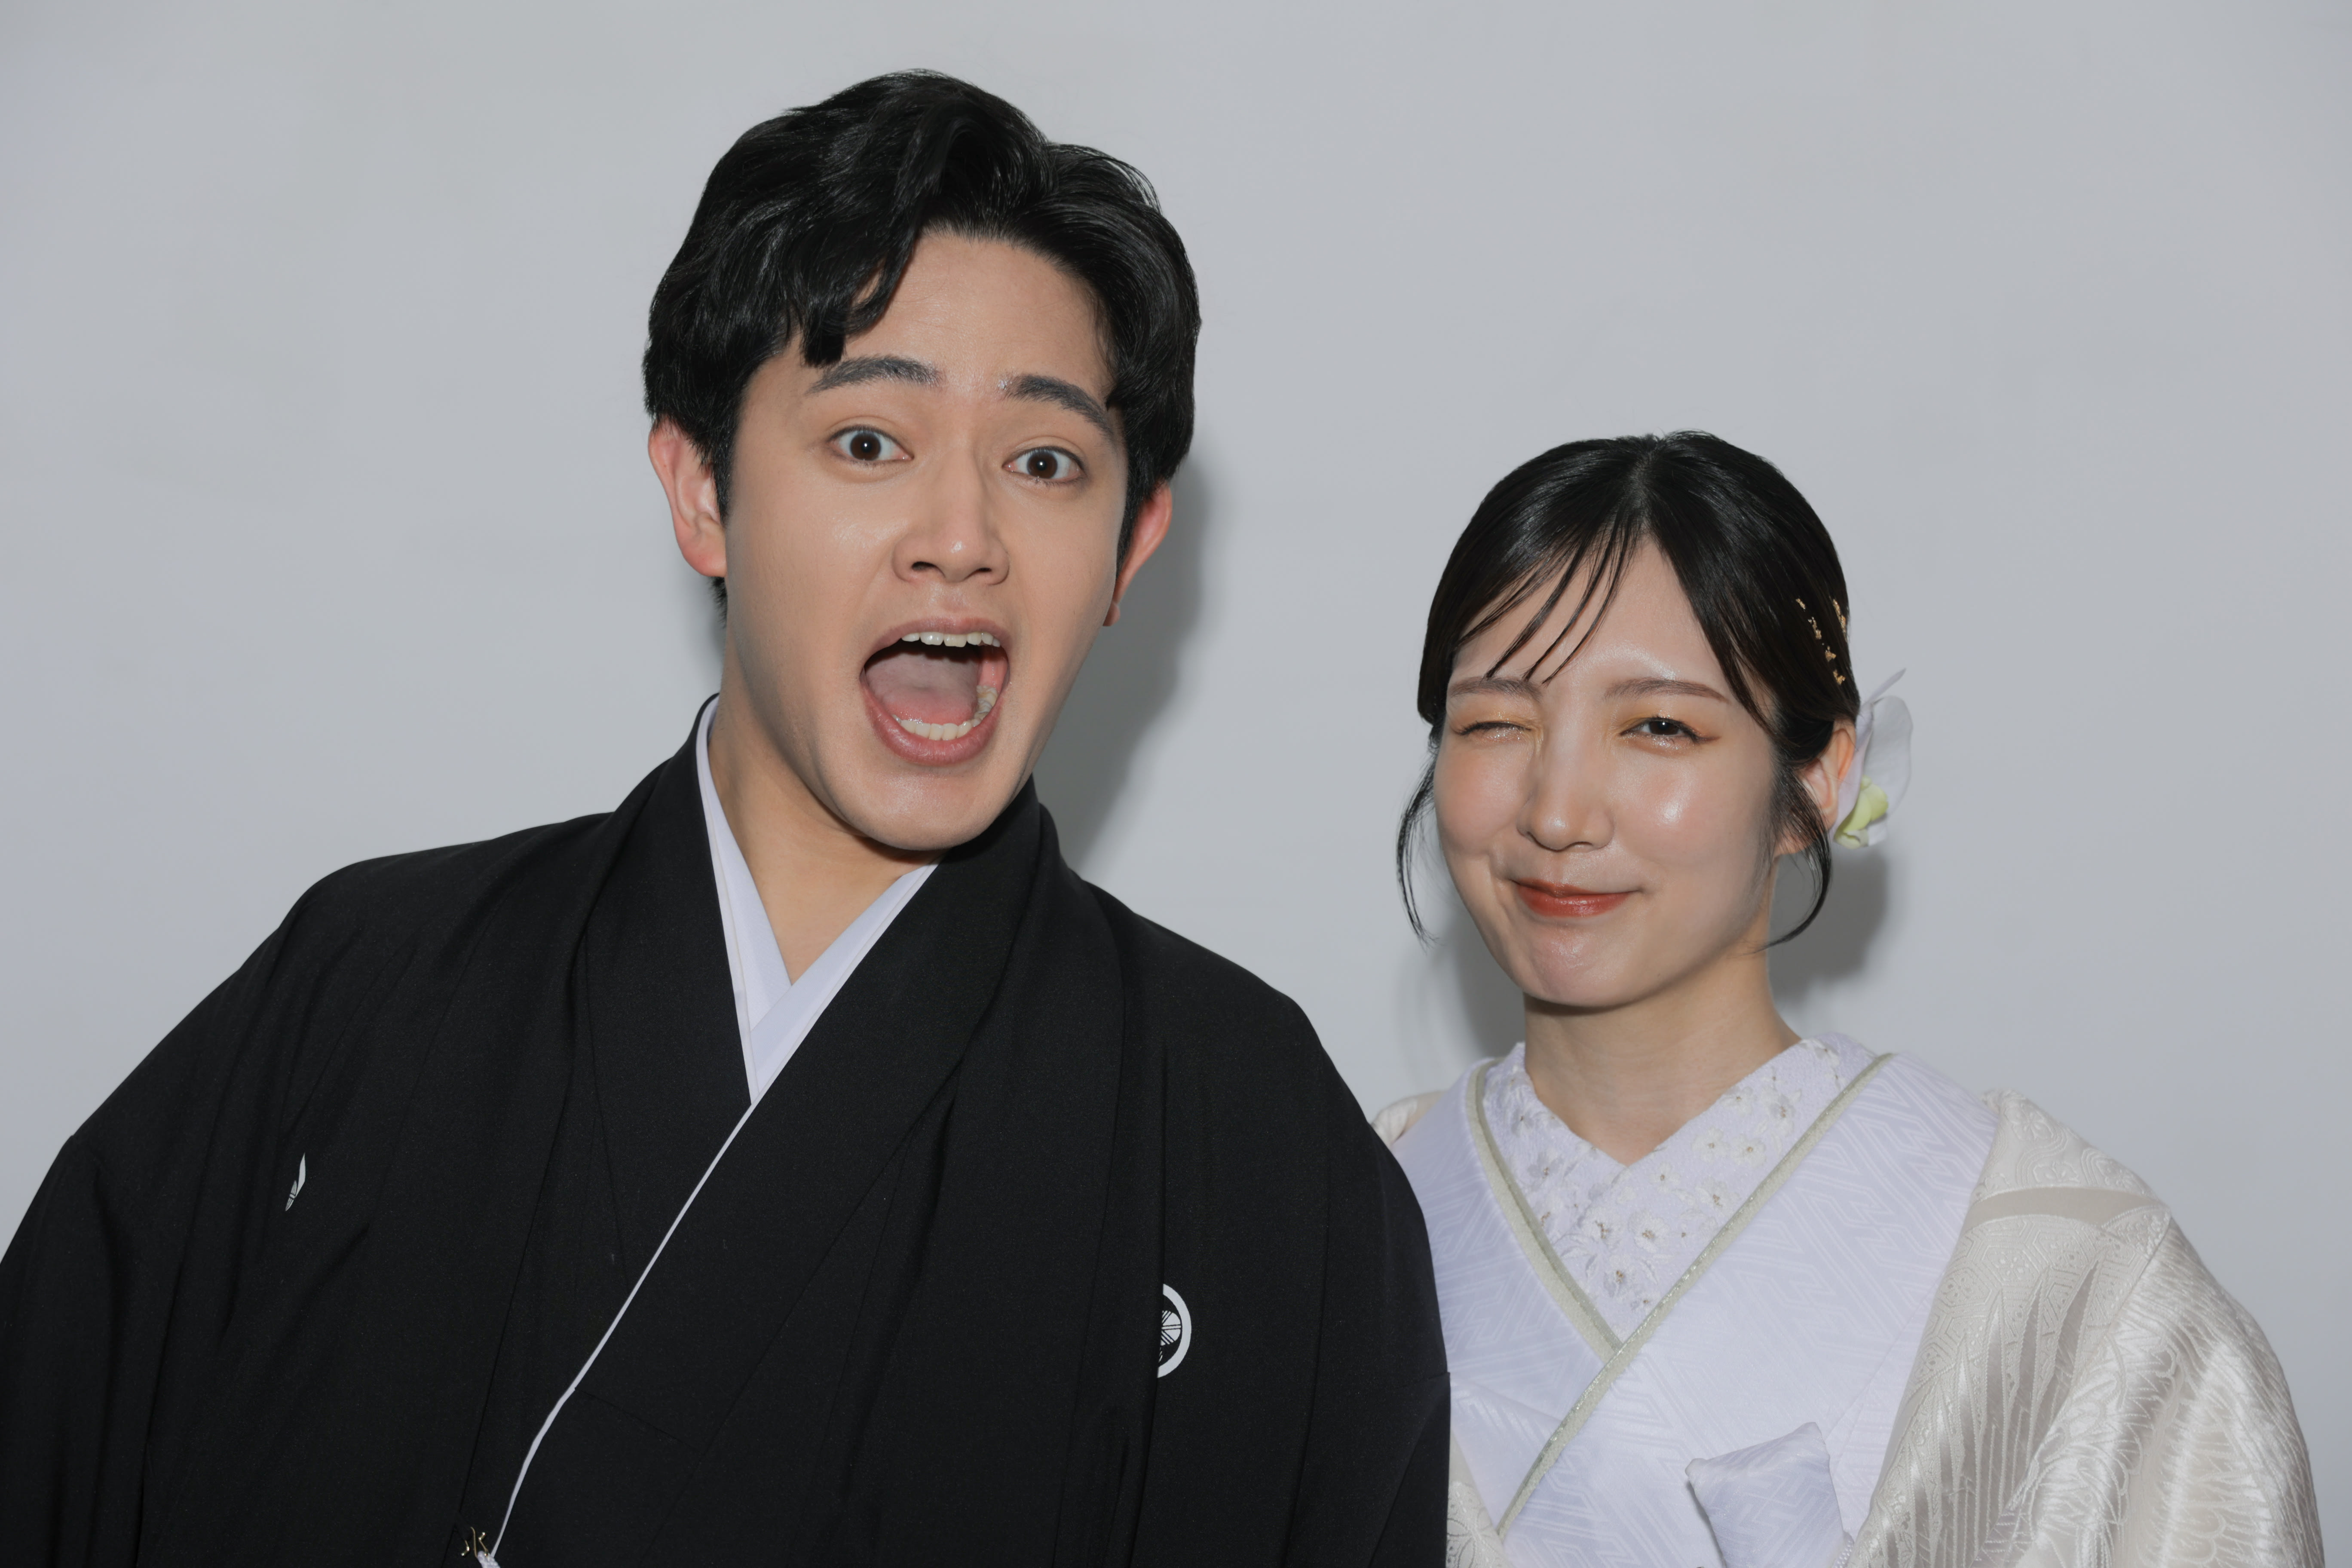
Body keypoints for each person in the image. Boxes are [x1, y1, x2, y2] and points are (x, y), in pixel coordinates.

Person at [0, 72, 1445, 1567]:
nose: (962, 538)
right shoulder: (370, 993)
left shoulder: (1249, 1142)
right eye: (869, 442)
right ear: (701, 490)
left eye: (1045, 462)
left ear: (1134, 543)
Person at [1375, 433, 2318, 1568]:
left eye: (1660, 726)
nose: (1558, 811)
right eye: (1495, 722)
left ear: (1819, 779)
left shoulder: (2069, 1281)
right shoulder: (1347, 1212)